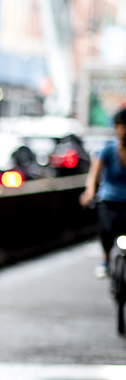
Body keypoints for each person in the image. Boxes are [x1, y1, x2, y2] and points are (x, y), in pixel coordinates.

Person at [80, 108, 126, 278]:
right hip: (109, 199)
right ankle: (106, 260)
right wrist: (90, 192)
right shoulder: (107, 150)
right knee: (107, 230)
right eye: (120, 127)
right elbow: (93, 175)